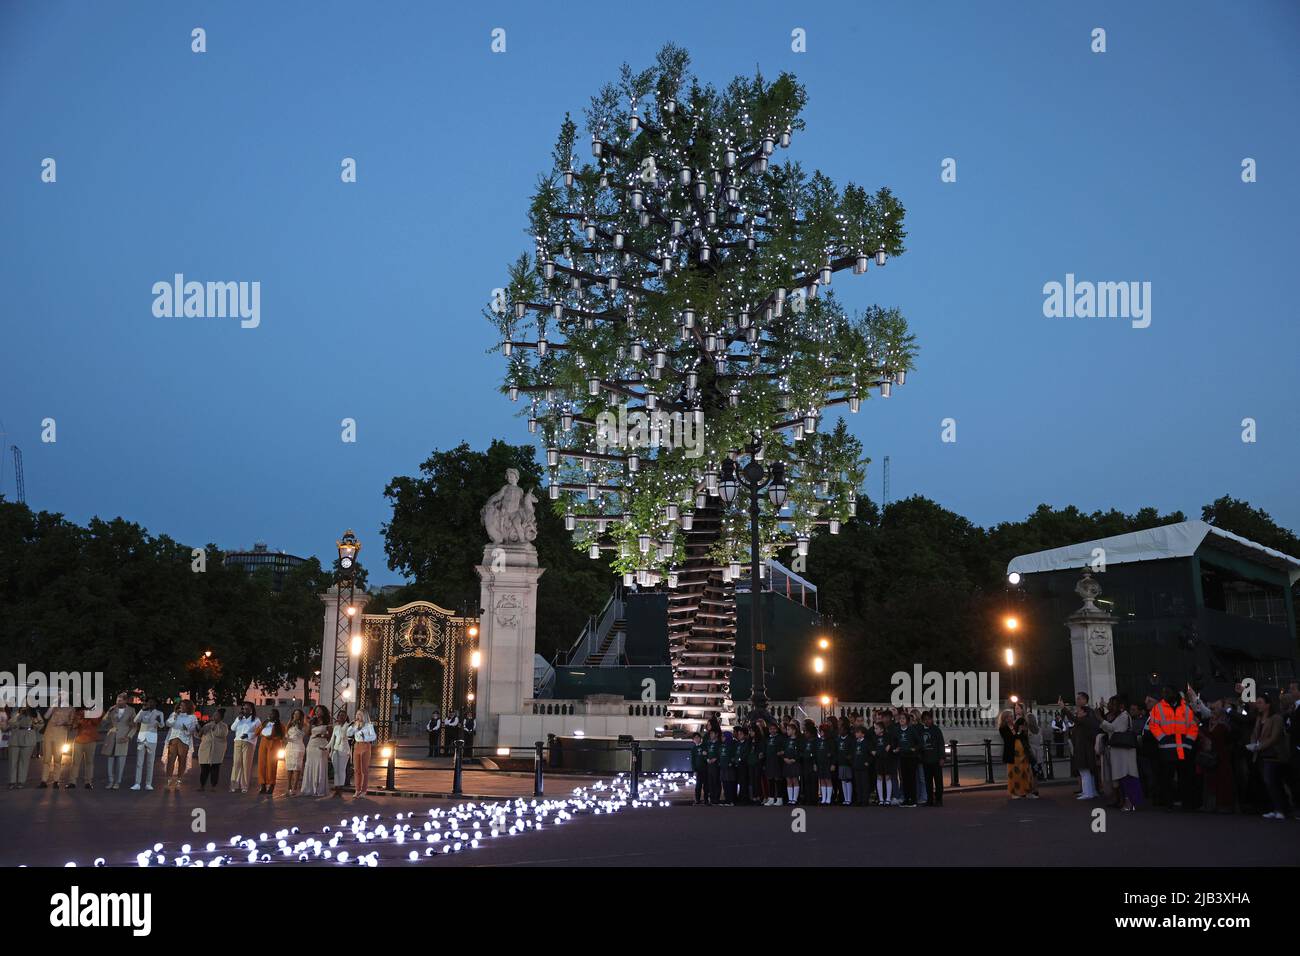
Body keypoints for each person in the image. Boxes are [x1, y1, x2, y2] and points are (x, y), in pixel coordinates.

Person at [1148, 685, 1199, 810]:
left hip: (1182, 748)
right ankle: (1168, 803)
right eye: (1164, 692)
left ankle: (1186, 803)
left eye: (1168, 692)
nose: (1165, 694)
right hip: (1167, 749)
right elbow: (1153, 726)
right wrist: (1162, 738)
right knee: (1167, 778)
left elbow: (1193, 726)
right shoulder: (1158, 708)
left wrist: (1188, 742)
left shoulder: (1185, 708)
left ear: (1174, 693)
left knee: (1184, 778)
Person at [1248, 695, 1290, 820]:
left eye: (1260, 703)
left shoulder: (1276, 718)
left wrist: (1258, 746)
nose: (1258, 705)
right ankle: (1275, 808)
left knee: (1272, 781)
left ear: (1268, 704)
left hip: (1274, 754)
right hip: (1261, 754)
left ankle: (1281, 809)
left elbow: (1274, 737)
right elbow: (1255, 733)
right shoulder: (1259, 718)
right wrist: (1253, 743)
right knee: (1269, 782)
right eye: (1257, 703)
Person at [1099, 695, 1139, 811]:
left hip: (1124, 752)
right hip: (1118, 752)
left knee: (1126, 776)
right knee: (1119, 777)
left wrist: (1101, 720)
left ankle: (1130, 802)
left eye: (1112, 704)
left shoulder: (1124, 716)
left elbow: (1114, 728)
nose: (1109, 706)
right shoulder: (1119, 715)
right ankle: (1122, 801)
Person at [100, 694, 136, 790]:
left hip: (123, 738)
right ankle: (111, 781)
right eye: (117, 700)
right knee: (110, 760)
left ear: (125, 701)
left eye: (120, 701)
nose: (117, 702)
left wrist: (128, 737)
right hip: (111, 737)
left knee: (121, 761)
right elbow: (104, 722)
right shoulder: (112, 709)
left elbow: (134, 726)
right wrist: (108, 712)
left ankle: (117, 782)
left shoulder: (131, 710)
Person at [163, 700, 199, 790]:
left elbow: (192, 730)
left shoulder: (192, 717)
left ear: (188, 707)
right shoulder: (174, 714)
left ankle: (179, 781)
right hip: (173, 739)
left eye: (183, 706)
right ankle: (169, 780)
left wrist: (186, 728)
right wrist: (175, 717)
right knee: (171, 759)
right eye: (180, 705)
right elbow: (168, 723)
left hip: (184, 740)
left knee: (182, 760)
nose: (181, 707)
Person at [131, 698, 165, 791]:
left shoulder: (159, 713)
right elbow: (135, 720)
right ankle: (137, 783)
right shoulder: (143, 711)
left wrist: (159, 721)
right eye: (148, 702)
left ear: (155, 703)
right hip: (142, 738)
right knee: (139, 762)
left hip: (152, 739)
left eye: (152, 702)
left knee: (150, 762)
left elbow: (162, 725)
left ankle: (148, 784)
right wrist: (142, 710)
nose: (150, 704)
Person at [228, 702, 262, 794]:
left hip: (249, 743)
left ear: (251, 709)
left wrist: (248, 735)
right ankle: (234, 785)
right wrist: (238, 720)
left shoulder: (256, 720)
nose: (245, 710)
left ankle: (244, 786)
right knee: (236, 763)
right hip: (238, 742)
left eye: (247, 708)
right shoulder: (239, 719)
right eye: (243, 708)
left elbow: (258, 732)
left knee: (246, 764)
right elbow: (232, 728)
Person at [39, 704, 74, 789]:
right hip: (49, 734)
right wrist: (52, 707)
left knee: (58, 758)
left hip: (61, 734)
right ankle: (44, 780)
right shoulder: (54, 706)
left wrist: (64, 722)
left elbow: (72, 722)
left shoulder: (71, 708)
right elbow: (46, 716)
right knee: (46, 758)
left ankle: (56, 781)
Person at [1070, 703, 1099, 799]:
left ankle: (1088, 793)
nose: (1077, 712)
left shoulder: (1085, 721)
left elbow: (1073, 719)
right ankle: (1090, 791)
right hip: (1084, 749)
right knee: (1087, 772)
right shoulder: (1085, 721)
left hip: (1084, 749)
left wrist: (1063, 708)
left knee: (1084, 771)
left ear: (1085, 712)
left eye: (1079, 710)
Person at [197, 707, 230, 792]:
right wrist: (199, 730)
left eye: (217, 715)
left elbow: (221, 734)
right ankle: (202, 785)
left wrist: (214, 726)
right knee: (204, 769)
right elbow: (199, 735)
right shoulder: (207, 724)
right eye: (214, 715)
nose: (214, 716)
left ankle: (213, 786)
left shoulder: (224, 726)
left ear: (221, 717)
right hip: (205, 749)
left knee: (215, 769)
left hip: (217, 751)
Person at [65, 707, 99, 789]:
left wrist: (86, 714)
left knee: (89, 762)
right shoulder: (79, 712)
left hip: (91, 740)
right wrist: (76, 721)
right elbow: (74, 725)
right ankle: (72, 782)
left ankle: (88, 782)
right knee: (75, 762)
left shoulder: (97, 711)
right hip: (78, 740)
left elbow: (96, 722)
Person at [918, 711, 946, 807]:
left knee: (938, 781)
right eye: (925, 719)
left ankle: (939, 799)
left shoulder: (936, 730)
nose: (928, 721)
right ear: (922, 721)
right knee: (928, 781)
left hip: (936, 759)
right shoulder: (920, 730)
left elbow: (941, 744)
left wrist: (942, 757)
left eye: (929, 719)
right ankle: (929, 799)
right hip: (926, 760)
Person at [302, 705, 331, 797]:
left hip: (321, 745)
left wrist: (321, 735)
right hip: (311, 745)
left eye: (319, 711)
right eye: (316, 711)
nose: (317, 712)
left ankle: (319, 789)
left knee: (320, 765)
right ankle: (309, 789)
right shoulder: (312, 721)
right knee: (310, 765)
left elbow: (330, 736)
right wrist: (309, 723)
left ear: (323, 712)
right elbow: (307, 733)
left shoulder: (327, 722)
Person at [7, 707, 39, 789]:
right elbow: (10, 723)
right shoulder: (16, 711)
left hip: (28, 738)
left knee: (24, 761)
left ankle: (21, 781)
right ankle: (12, 781)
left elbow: (40, 725)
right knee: (12, 761)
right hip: (15, 738)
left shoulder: (33, 712)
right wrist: (19, 714)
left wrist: (33, 718)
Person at [895, 711, 921, 807]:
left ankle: (913, 799)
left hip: (911, 757)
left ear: (907, 720)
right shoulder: (897, 730)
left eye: (903, 719)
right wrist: (896, 748)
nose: (901, 720)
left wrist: (914, 749)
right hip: (902, 756)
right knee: (904, 779)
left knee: (911, 778)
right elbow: (895, 740)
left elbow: (919, 742)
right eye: (900, 718)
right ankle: (906, 798)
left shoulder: (911, 730)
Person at [257, 708, 285, 795]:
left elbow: (282, 736)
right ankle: (262, 785)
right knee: (262, 765)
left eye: (272, 714)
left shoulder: (280, 725)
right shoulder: (265, 723)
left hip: (273, 746)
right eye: (270, 713)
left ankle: (271, 785)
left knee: (271, 766)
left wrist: (272, 738)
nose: (270, 715)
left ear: (276, 716)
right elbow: (257, 732)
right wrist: (263, 725)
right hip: (263, 745)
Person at [351, 709, 377, 798]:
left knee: (364, 770)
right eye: (357, 714)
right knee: (356, 769)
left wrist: (364, 737)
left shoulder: (368, 725)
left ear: (364, 716)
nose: (358, 716)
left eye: (360, 714)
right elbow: (348, 733)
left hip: (365, 746)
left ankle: (364, 790)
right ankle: (357, 790)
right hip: (357, 746)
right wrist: (353, 726)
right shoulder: (356, 725)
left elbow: (374, 736)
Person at [283, 708, 307, 796]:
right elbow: (286, 735)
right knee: (289, 767)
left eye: (297, 714)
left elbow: (304, 733)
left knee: (296, 767)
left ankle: (295, 787)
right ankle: (288, 786)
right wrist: (286, 738)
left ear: (300, 716)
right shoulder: (289, 725)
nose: (295, 715)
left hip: (298, 746)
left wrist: (299, 724)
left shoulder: (303, 725)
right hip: (289, 747)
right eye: (294, 714)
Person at [873, 717, 897, 806]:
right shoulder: (874, 738)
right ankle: (881, 799)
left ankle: (888, 798)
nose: (875, 730)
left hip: (887, 760)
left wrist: (890, 746)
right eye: (875, 728)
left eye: (876, 728)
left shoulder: (888, 736)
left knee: (887, 777)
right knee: (879, 777)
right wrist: (873, 751)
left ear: (882, 729)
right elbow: (872, 747)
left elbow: (892, 744)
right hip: (878, 760)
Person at [328, 709, 352, 797]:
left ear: (346, 717)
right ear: (337, 717)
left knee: (342, 770)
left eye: (343, 715)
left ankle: (340, 790)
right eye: (340, 715)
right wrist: (327, 748)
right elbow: (332, 740)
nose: (341, 717)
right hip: (335, 750)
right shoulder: (336, 727)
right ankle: (336, 789)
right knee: (336, 771)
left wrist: (344, 726)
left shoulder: (348, 726)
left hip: (344, 751)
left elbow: (346, 735)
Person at [764, 720, 785, 805]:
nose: (772, 730)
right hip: (769, 761)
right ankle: (771, 798)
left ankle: (779, 798)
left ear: (776, 729)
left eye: (774, 729)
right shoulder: (768, 739)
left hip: (777, 762)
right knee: (770, 780)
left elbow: (783, 749)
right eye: (770, 729)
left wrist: (781, 752)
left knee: (778, 780)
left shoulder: (780, 738)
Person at [689, 731, 706, 805]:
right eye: (695, 738)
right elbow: (692, 760)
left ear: (700, 738)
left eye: (697, 737)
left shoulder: (704, 746)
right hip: (698, 770)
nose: (696, 739)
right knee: (698, 785)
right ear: (693, 740)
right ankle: (697, 800)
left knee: (706, 785)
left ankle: (706, 799)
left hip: (705, 769)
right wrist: (694, 770)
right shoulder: (693, 749)